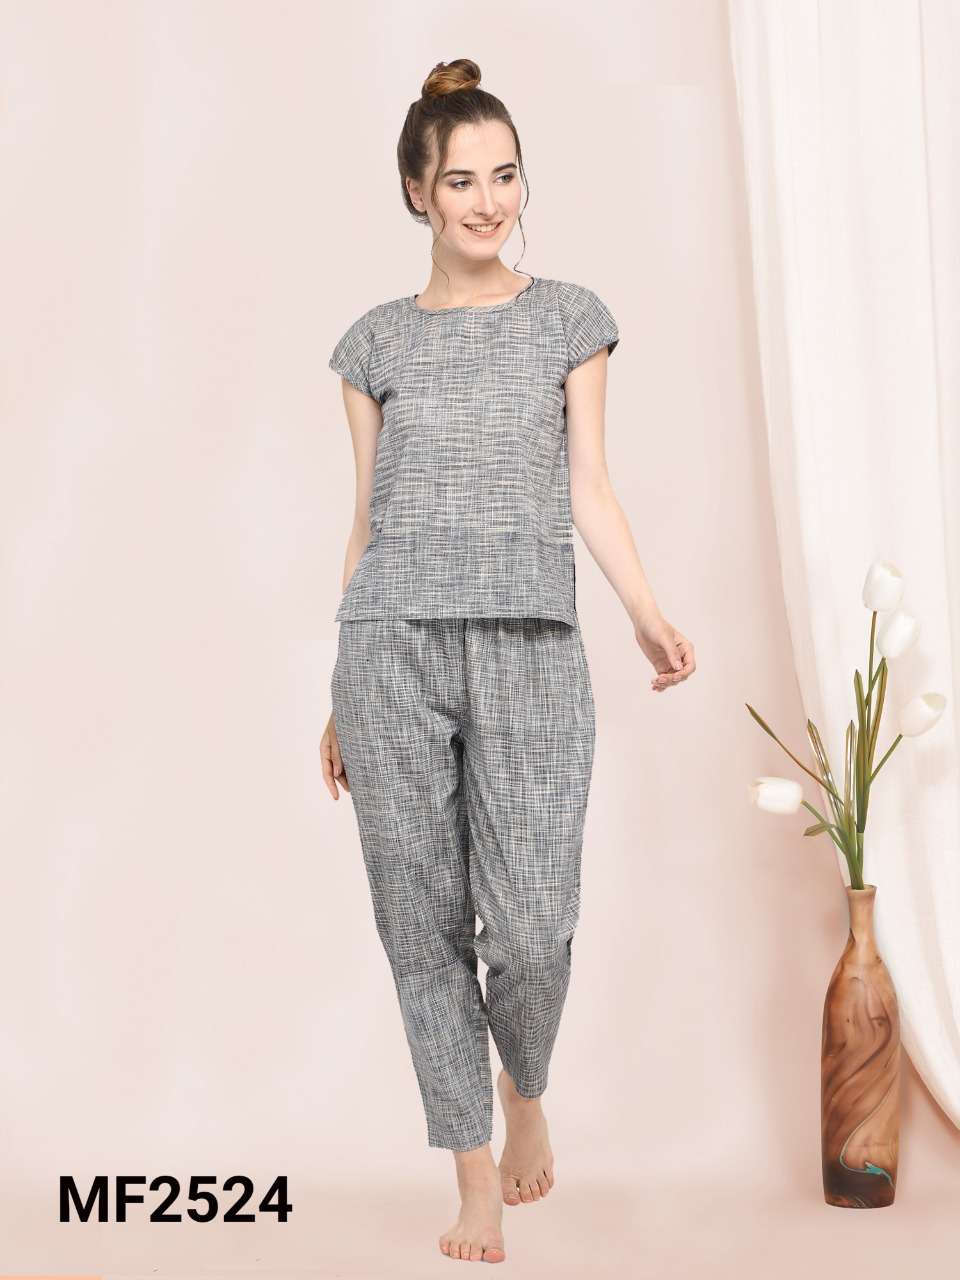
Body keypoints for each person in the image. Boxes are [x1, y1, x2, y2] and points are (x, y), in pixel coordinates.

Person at [319, 57, 696, 1265]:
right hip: (390, 649)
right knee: (418, 920)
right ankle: (472, 1173)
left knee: (532, 926)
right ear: (417, 192)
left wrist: (644, 611)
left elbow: (592, 485)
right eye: (462, 180)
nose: (489, 201)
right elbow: (366, 520)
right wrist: (339, 689)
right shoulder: (372, 344)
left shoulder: (568, 319)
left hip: (533, 647)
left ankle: (523, 1077)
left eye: (506, 175)